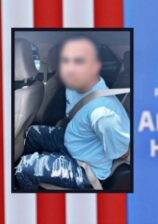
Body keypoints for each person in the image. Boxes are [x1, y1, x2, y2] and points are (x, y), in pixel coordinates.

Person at [15, 35, 130, 190]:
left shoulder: (104, 114)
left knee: (24, 167)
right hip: (74, 143)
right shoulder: (73, 86)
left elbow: (122, 152)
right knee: (31, 133)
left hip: (86, 168)